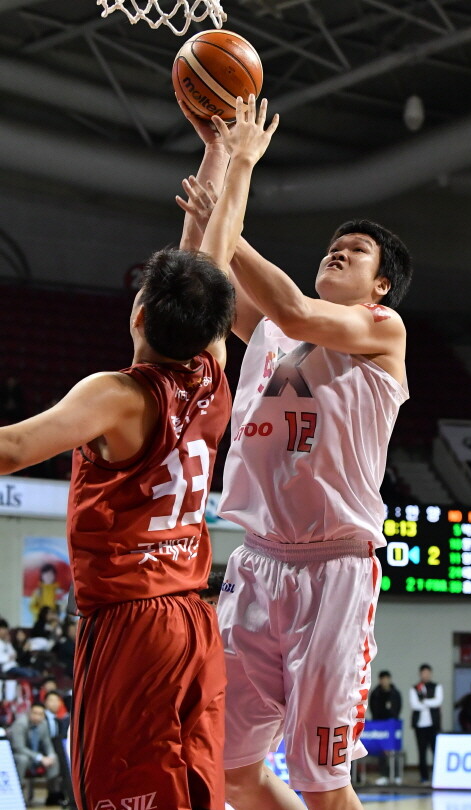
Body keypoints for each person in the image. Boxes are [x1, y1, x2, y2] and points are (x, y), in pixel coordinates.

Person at [0, 119, 274, 805]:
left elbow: (11, 449)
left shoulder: (117, 396)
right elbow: (208, 268)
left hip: (132, 627)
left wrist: (232, 160)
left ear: (139, 317)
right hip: (192, 622)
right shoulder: (212, 376)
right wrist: (227, 155)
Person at [177, 95, 411, 810]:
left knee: (323, 784)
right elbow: (201, 274)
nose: (338, 250)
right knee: (229, 769)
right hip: (256, 566)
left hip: (333, 571)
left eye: (357, 250)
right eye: (334, 244)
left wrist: (234, 212)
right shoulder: (273, 334)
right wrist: (218, 153)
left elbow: (294, 307)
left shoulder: (382, 329)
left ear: (379, 285)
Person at [9, 702, 62, 805]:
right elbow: (19, 748)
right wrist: (40, 757)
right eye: (35, 713)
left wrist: (50, 755)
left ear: (44, 715)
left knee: (54, 758)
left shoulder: (43, 724)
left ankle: (53, 795)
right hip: (17, 757)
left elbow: (47, 744)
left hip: (36, 757)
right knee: (23, 759)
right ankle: (18, 795)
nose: (37, 716)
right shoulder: (20, 724)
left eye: (40, 714)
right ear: (29, 713)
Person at [409, 664, 443, 784]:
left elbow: (438, 701)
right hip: (420, 726)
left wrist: (424, 701)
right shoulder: (415, 688)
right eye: (424, 673)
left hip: (433, 725)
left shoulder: (437, 686)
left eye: (428, 673)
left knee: (435, 750)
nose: (426, 675)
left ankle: (436, 776)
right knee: (421, 751)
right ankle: (424, 776)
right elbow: (414, 705)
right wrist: (430, 703)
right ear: (420, 674)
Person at [368, 670, 402, 785]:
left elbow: (398, 707)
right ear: (380, 680)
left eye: (387, 679)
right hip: (380, 726)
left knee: (393, 750)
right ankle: (383, 775)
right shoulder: (376, 693)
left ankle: (396, 774)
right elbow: (373, 708)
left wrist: (392, 717)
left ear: (389, 679)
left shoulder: (395, 693)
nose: (385, 681)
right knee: (382, 751)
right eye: (383, 679)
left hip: (392, 725)